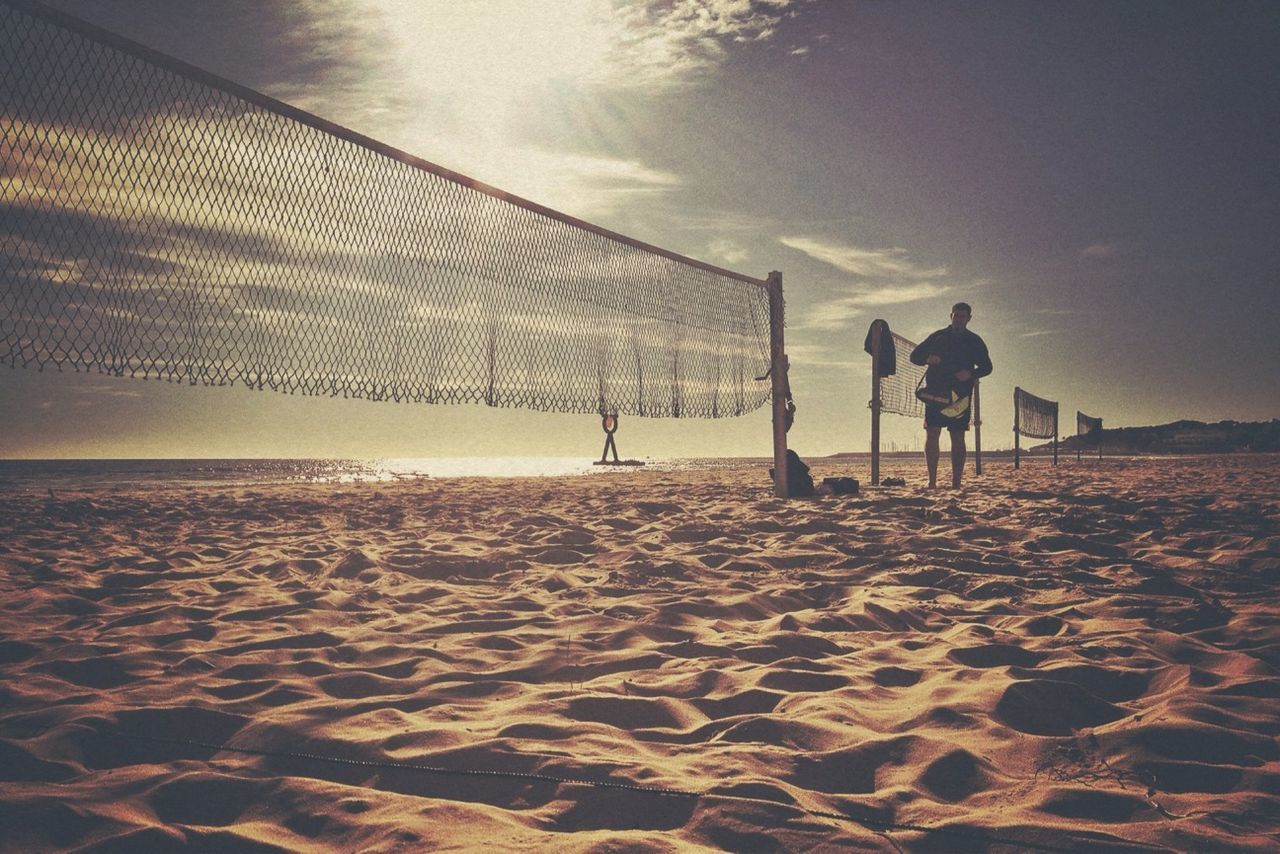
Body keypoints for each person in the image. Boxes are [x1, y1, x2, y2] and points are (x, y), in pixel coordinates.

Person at [909, 302, 992, 488]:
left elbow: (987, 367)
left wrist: (970, 374)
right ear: (951, 316)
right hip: (935, 392)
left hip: (960, 395)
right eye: (956, 315)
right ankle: (932, 482)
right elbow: (914, 356)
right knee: (932, 433)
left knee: (958, 435)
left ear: (969, 319)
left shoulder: (974, 341)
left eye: (963, 316)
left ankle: (956, 483)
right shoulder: (938, 337)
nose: (959, 319)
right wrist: (927, 359)